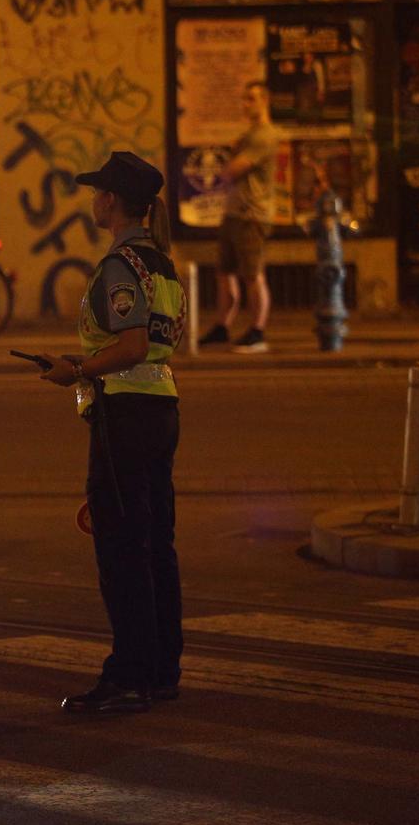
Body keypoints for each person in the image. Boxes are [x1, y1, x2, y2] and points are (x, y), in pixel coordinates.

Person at [38, 150, 185, 714]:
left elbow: (130, 346)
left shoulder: (122, 266)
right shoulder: (162, 263)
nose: (93, 199)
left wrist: (75, 370)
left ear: (112, 202)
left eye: (98, 192)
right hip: (160, 410)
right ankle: (161, 671)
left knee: (122, 551)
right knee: (156, 548)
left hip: (124, 417)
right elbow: (146, 345)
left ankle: (128, 676)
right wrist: (82, 361)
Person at [198, 81, 277, 353]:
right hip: (233, 212)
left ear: (265, 101)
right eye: (244, 99)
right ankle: (222, 326)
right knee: (225, 271)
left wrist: (231, 161)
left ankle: (258, 331)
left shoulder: (264, 136)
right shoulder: (249, 135)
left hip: (252, 215)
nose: (246, 104)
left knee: (252, 274)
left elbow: (233, 170)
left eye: (252, 99)